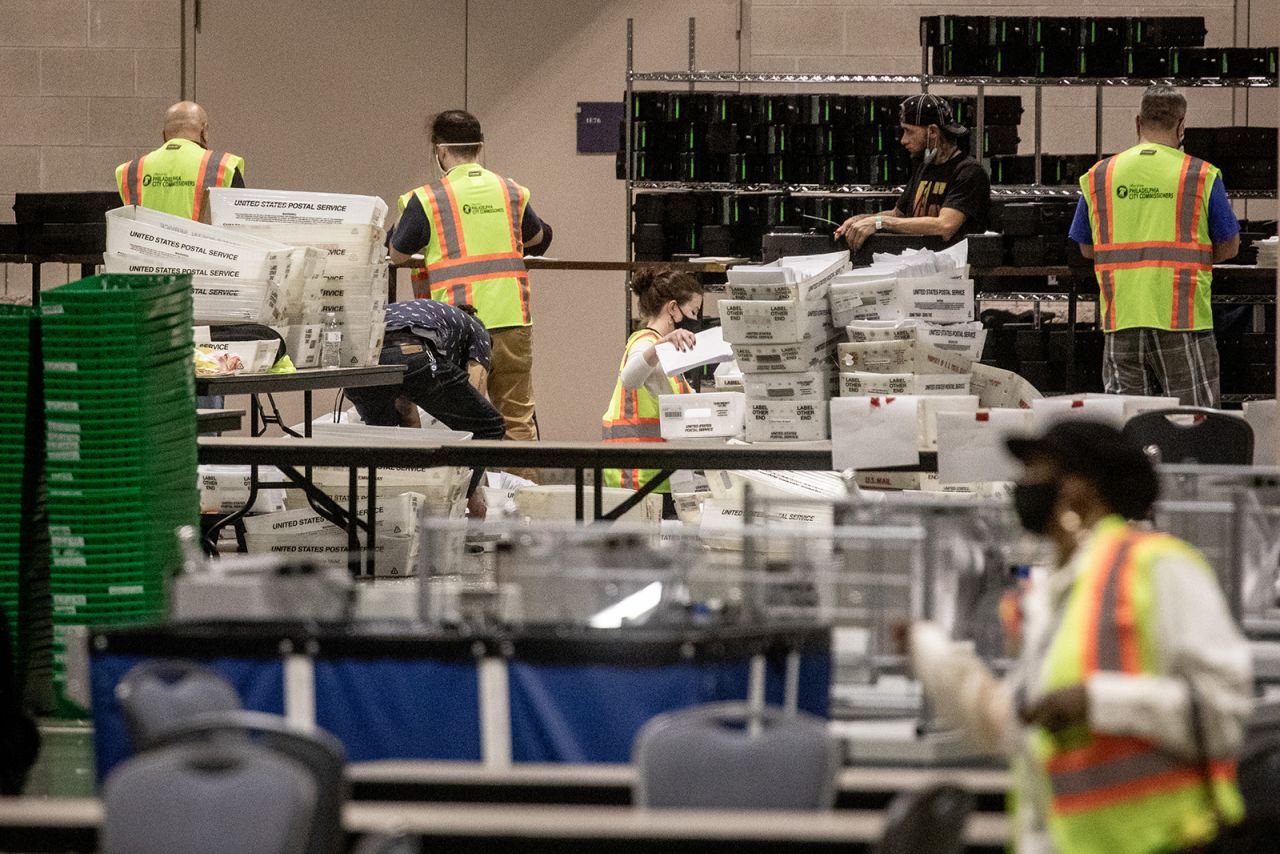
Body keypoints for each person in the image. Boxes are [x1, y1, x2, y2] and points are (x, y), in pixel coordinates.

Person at [904, 420, 1252, 854]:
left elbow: (1223, 714)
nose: (1025, 487)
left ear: (1080, 487)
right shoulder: (1057, 595)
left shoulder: (1158, 568)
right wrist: (930, 654)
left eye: (1038, 473)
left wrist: (1098, 702)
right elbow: (1011, 725)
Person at [388, 110, 553, 451]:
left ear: (440, 151)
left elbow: (398, 253)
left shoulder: (428, 198)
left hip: (459, 326)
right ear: (480, 146)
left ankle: (469, 498)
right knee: (518, 419)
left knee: (464, 420)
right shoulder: (510, 191)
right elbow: (538, 238)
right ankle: (522, 496)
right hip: (512, 320)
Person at [1069, 86, 1240, 407]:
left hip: (1121, 318)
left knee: (1129, 422)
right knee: (1195, 420)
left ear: (1137, 123)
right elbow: (1229, 246)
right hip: (1183, 318)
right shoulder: (1200, 174)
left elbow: (1087, 249)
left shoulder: (1099, 175)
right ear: (1181, 126)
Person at [835, 94, 990, 252]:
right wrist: (860, 221)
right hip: (922, 264)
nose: (903, 140)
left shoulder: (968, 172)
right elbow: (899, 215)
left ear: (933, 132)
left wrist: (880, 222)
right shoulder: (925, 167)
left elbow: (945, 226)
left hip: (953, 268)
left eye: (908, 131)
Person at [601, 268, 703, 497]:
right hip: (638, 476)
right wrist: (659, 345)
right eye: (693, 311)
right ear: (673, 308)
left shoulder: (668, 354)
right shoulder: (646, 343)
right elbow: (630, 378)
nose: (696, 320)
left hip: (658, 474)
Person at [343, 299, 505, 441]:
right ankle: (460, 477)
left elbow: (406, 410)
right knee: (488, 428)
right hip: (410, 348)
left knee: (385, 444)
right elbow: (475, 392)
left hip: (355, 360)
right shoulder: (478, 330)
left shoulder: (430, 316)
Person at [114, 101, 245, 220]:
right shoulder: (224, 166)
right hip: (203, 246)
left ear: (164, 135)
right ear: (204, 131)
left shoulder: (130, 171)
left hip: (146, 246)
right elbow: (240, 226)